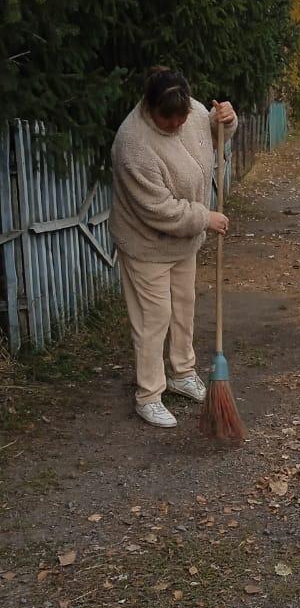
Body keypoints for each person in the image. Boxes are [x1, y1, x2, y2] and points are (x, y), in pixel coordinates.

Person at [110, 67, 238, 428]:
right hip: (146, 244)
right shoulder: (132, 144)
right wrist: (204, 218)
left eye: (184, 117)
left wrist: (225, 121)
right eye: (170, 121)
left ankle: (182, 373)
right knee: (154, 318)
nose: (180, 125)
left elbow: (215, 136)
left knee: (184, 308)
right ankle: (148, 395)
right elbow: (159, 209)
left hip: (183, 243)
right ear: (150, 110)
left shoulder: (191, 110)